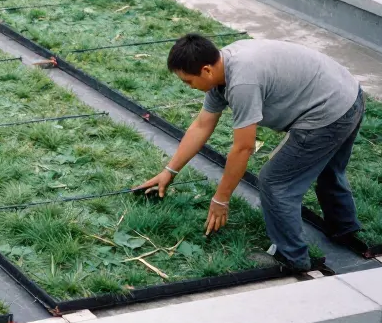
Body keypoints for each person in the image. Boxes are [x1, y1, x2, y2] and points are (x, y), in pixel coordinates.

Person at [136, 33, 365, 272]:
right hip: (349, 93)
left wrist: (221, 199)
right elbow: (202, 126)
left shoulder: (242, 83)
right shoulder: (222, 68)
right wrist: (169, 171)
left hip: (328, 112)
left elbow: (243, 147)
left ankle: (292, 258)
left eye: (188, 82)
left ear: (205, 71)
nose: (190, 87)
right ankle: (344, 229)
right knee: (327, 168)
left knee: (276, 182)